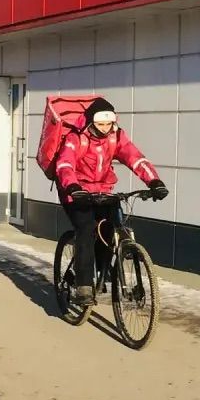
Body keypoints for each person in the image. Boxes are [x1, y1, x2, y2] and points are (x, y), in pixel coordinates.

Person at [55, 98, 167, 306]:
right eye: (100, 124)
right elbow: (65, 164)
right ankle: (83, 285)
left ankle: (102, 271)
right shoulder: (76, 137)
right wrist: (72, 186)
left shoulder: (116, 136)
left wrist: (154, 181)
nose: (105, 128)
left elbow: (135, 158)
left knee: (111, 229)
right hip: (76, 192)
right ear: (91, 122)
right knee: (87, 229)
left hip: (103, 191)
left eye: (108, 124)